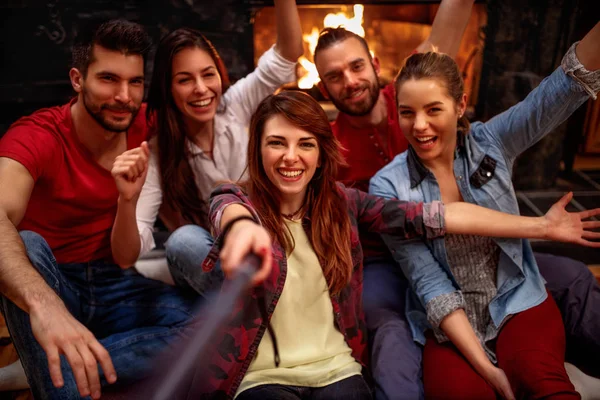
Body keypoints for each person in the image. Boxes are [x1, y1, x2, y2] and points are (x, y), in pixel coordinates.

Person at [198, 90, 599, 399]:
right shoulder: (236, 199)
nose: (291, 157)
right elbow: (226, 211)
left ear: (321, 153)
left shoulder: (344, 203)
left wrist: (542, 227)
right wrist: (241, 230)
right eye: (276, 143)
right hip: (262, 376)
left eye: (305, 143)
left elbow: (444, 215)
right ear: (258, 148)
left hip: (337, 369)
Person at [312, 10, 600, 400]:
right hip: (405, 277)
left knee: (570, 294)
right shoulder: (372, 172)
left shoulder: (487, 142)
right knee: (401, 344)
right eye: (409, 114)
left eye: (433, 110)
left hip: (510, 290)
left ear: (459, 105)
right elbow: (430, 283)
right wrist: (543, 228)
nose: (419, 126)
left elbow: (553, 95)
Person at [0, 20, 196, 399]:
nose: (124, 96)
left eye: (135, 82)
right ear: (77, 79)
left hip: (114, 280)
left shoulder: (146, 123)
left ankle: (45, 368)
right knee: (27, 242)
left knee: (206, 331)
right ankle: (61, 369)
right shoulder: (37, 136)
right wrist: (47, 306)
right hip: (53, 277)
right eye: (108, 79)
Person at [128, 0, 303, 293]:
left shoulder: (234, 105)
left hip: (268, 238)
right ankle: (266, 298)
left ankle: (265, 297)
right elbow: (138, 238)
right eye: (185, 80)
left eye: (208, 74)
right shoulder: (160, 152)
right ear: (168, 89)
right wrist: (125, 201)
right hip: (216, 257)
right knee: (183, 240)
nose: (201, 88)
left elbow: (287, 55)